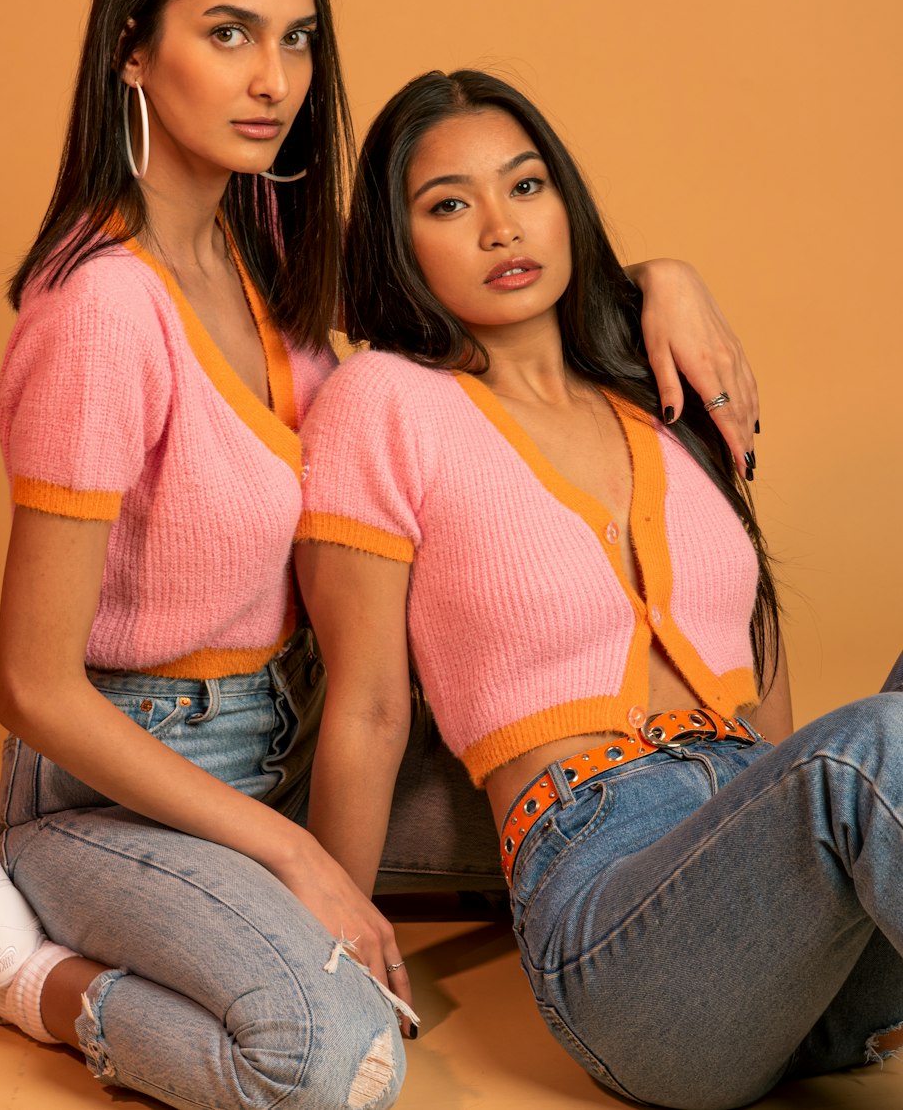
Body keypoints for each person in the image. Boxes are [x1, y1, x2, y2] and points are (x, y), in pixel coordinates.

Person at [0, 0, 765, 1107]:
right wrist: (298, 855)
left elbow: (458, 311)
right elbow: (31, 685)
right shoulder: (98, 306)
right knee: (325, 1058)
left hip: (305, 737)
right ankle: (28, 968)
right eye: (228, 34)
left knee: (659, 813)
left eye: (297, 38)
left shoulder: (264, 255)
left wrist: (650, 280)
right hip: (127, 784)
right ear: (132, 53)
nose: (275, 80)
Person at [294, 68, 903, 1109]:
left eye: (524, 187)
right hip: (617, 923)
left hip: (786, 922)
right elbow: (367, 705)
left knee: (857, 752)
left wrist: (668, 272)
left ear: (565, 204)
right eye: (449, 204)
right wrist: (331, 956)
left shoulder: (657, 390)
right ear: (402, 246)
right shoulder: (385, 403)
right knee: (871, 751)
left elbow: (764, 667)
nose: (498, 226)